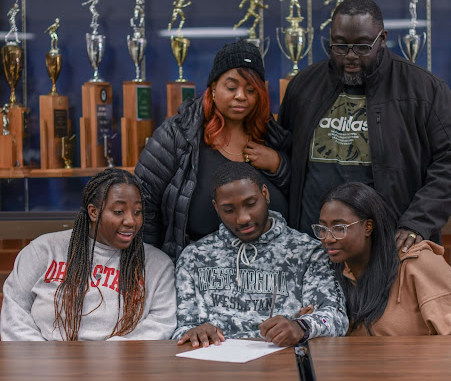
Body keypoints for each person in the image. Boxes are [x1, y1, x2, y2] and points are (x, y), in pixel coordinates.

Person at [278, 0, 451, 251]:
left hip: (388, 249)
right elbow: (285, 153)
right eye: (339, 46)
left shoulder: (423, 89)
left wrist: (417, 222)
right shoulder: (304, 86)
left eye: (361, 46)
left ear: (381, 39)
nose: (350, 56)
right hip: (313, 245)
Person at [135, 40, 291, 262]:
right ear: (213, 88)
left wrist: (279, 166)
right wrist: (152, 266)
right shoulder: (179, 134)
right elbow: (144, 200)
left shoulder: (272, 137)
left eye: (250, 90)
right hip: (196, 276)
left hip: (267, 276)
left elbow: (295, 199)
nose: (241, 96)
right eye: (231, 87)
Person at [172, 162, 348, 348]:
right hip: (212, 367)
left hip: (282, 366)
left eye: (250, 204)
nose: (243, 218)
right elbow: (180, 330)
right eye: (229, 210)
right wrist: (192, 332)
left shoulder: (307, 253)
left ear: (265, 194)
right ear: (216, 208)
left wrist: (301, 326)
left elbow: (336, 319)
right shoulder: (193, 257)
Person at [1, 168, 177, 341]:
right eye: (119, 211)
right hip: (44, 364)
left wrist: (109, 360)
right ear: (94, 212)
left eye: (137, 212)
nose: (131, 221)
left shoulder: (157, 265)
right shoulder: (43, 250)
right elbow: (15, 313)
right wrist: (46, 362)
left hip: (123, 367)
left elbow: (161, 322)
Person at [314, 182, 451, 336]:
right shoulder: (329, 274)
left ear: (368, 227)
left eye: (339, 228)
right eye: (322, 229)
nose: (328, 238)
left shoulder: (417, 263)